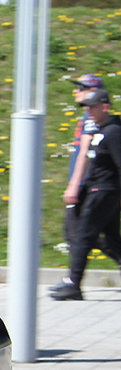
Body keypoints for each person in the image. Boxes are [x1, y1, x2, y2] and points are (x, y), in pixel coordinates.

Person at [50, 88, 121, 300]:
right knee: (111, 239)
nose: (89, 111)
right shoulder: (102, 130)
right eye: (87, 107)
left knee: (83, 236)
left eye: (92, 107)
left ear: (105, 107)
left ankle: (73, 284)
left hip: (105, 191)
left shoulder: (113, 132)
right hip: (99, 190)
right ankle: (73, 283)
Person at [62, 74, 107, 248]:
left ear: (93, 91)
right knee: (77, 234)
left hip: (85, 184)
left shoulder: (92, 120)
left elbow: (85, 153)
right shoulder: (88, 118)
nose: (76, 91)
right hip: (84, 183)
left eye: (81, 88)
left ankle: (74, 275)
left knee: (75, 235)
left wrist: (75, 183)